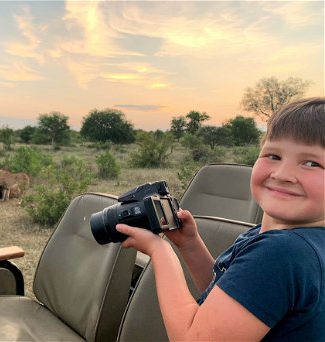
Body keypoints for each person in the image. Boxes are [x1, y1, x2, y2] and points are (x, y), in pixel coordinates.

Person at [116, 97, 325, 341]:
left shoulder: (282, 253)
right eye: (273, 156)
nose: (282, 174)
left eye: (311, 163)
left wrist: (159, 250)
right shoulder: (288, 243)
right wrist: (190, 245)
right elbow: (232, 294)